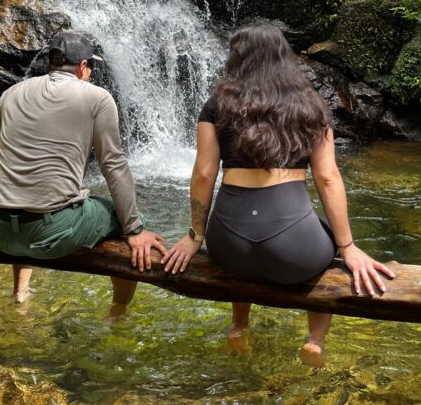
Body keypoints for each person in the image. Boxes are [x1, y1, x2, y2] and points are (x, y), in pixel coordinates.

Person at [162, 23, 395, 366]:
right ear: (282, 57)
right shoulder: (310, 104)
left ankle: (239, 327)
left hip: (229, 246)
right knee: (327, 244)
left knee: (243, 263)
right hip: (294, 247)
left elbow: (204, 173)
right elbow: (328, 177)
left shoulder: (217, 103)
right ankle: (314, 340)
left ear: (238, 59)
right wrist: (348, 248)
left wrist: (195, 234)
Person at [0, 30, 166, 316]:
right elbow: (113, 165)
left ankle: (20, 293)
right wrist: (134, 229)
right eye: (91, 67)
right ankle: (119, 310)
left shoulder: (11, 93)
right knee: (127, 221)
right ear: (82, 67)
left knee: (25, 185)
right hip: (53, 234)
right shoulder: (97, 98)